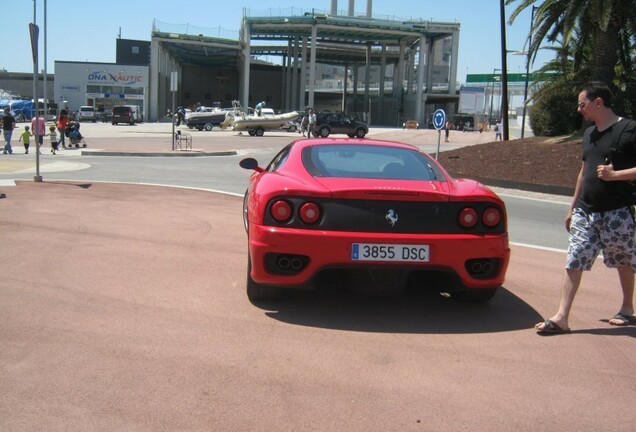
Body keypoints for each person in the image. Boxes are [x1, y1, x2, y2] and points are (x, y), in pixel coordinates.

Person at [535, 81, 636, 335]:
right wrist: (572, 208)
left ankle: (626, 308)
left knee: (623, 259)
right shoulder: (590, 133)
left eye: (582, 104)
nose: (579, 110)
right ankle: (562, 317)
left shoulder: (629, 129)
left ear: (598, 102)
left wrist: (616, 175)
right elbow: (583, 172)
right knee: (574, 258)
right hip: (585, 210)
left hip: (617, 211)